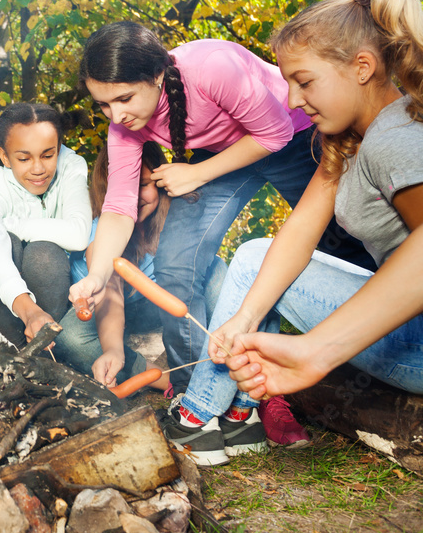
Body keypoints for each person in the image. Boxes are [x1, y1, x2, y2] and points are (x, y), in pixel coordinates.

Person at [176, 0, 423, 465]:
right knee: (261, 255)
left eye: (304, 81)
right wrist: (242, 321)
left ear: (362, 67)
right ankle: (231, 415)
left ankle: (198, 416)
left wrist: (316, 350)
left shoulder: (394, 140)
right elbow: (297, 235)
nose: (290, 100)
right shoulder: (351, 139)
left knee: (249, 256)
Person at [69, 21, 374, 396]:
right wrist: (97, 274)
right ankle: (193, 392)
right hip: (221, 155)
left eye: (125, 99)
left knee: (343, 240)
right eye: (103, 104)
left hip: (289, 136)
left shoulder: (213, 67)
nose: (116, 117)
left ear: (157, 75)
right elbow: (118, 207)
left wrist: (197, 174)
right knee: (176, 262)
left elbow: (274, 133)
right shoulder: (123, 129)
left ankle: (374, 348)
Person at [54, 142, 228, 393]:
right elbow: (110, 290)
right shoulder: (101, 229)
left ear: (159, 182)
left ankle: (235, 361)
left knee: (216, 270)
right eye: (124, 189)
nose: (133, 198)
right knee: (71, 337)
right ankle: (168, 382)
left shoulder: (176, 218)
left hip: (161, 305)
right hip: (110, 309)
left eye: (143, 185)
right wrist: (114, 350)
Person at [0, 102, 92, 347]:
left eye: (48, 155)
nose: (38, 169)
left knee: (44, 251)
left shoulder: (72, 166)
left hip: (51, 284)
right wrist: (30, 312)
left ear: (59, 149)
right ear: (5, 157)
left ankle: (42, 345)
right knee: (4, 248)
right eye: (24, 158)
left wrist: (4, 225)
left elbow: (79, 235)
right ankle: (13, 350)